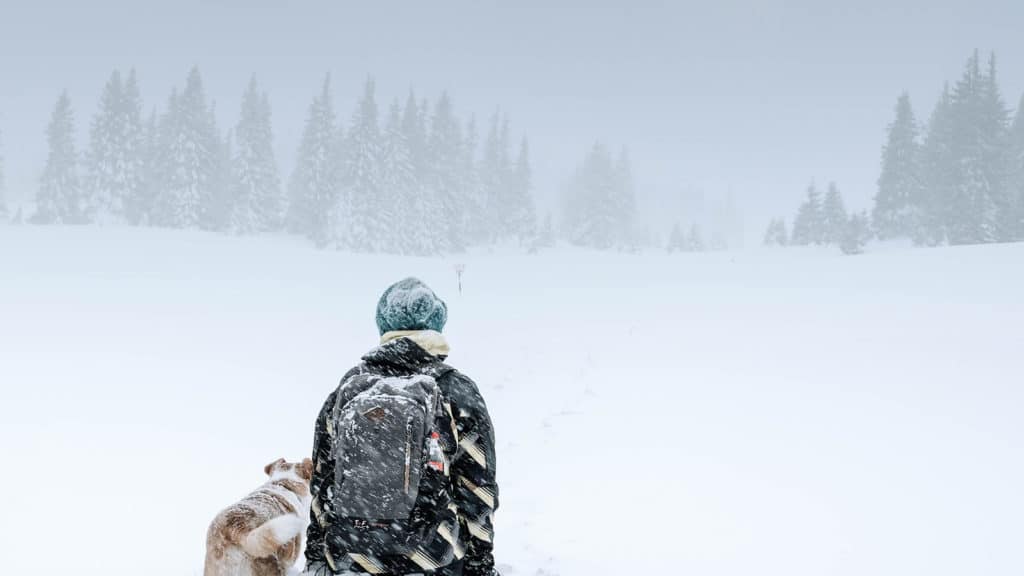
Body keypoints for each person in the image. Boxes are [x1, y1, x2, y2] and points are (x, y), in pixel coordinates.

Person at [303, 278, 499, 576]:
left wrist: (317, 556)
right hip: (433, 557)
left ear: (384, 325)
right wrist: (480, 563)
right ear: (436, 325)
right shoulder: (454, 388)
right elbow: (476, 486)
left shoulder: (350, 387)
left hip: (350, 555)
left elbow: (323, 479)